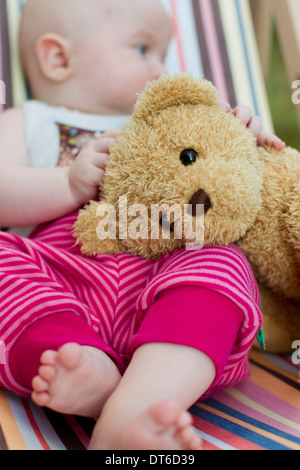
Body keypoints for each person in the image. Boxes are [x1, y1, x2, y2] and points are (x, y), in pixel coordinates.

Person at [0, 0, 285, 450]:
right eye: (142, 49)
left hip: (160, 290)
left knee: (218, 259)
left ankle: (144, 398)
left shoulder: (170, 121)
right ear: (58, 58)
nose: (161, 69)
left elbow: (228, 188)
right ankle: (97, 381)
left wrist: (240, 138)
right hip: (62, 284)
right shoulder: (30, 122)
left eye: (164, 56)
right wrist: (68, 184)